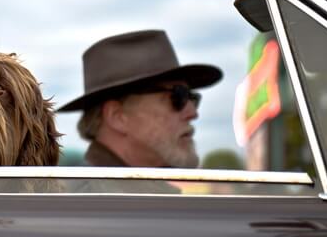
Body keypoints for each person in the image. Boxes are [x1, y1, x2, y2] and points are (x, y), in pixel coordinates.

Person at [58, 29, 222, 168]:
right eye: (178, 96)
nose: (192, 113)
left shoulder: (133, 197)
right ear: (117, 117)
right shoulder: (87, 203)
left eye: (192, 97)